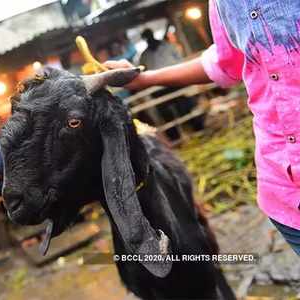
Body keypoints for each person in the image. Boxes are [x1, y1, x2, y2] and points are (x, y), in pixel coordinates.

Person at [104, 0, 300, 256]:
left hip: (184, 98)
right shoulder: (223, 5)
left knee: (189, 114)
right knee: (179, 121)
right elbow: (225, 61)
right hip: (282, 192)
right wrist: (143, 79)